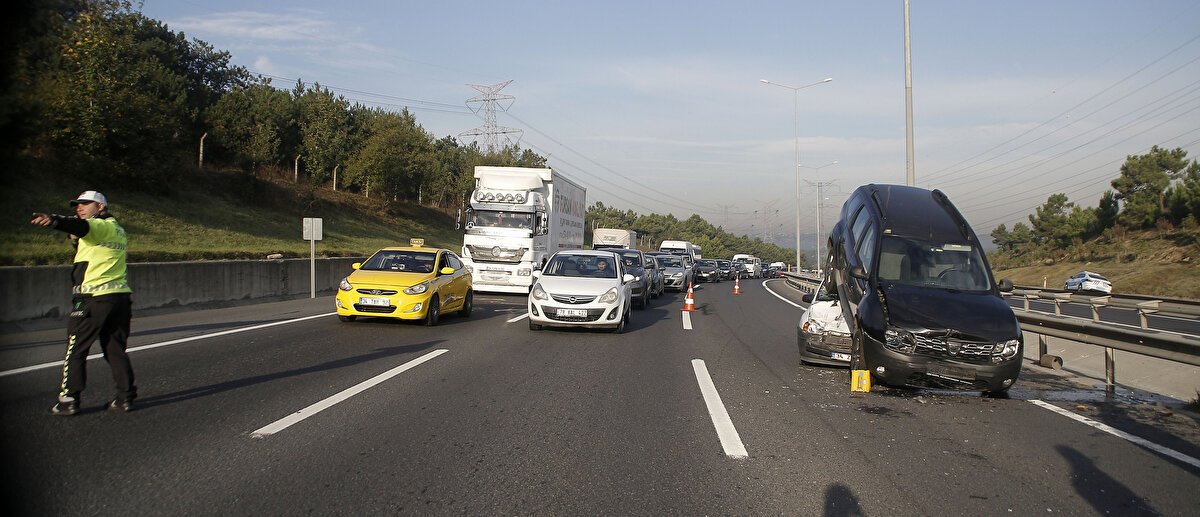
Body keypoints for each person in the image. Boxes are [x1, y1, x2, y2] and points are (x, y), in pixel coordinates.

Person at [30, 191, 137, 415]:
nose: (79, 208)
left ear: (100, 207)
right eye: (77, 205)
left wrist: (55, 221)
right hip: (119, 297)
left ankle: (69, 399)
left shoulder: (98, 225)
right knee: (115, 349)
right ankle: (125, 398)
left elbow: (81, 227)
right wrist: (75, 238)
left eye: (86, 204)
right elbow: (88, 244)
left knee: (76, 349)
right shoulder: (117, 229)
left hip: (94, 298)